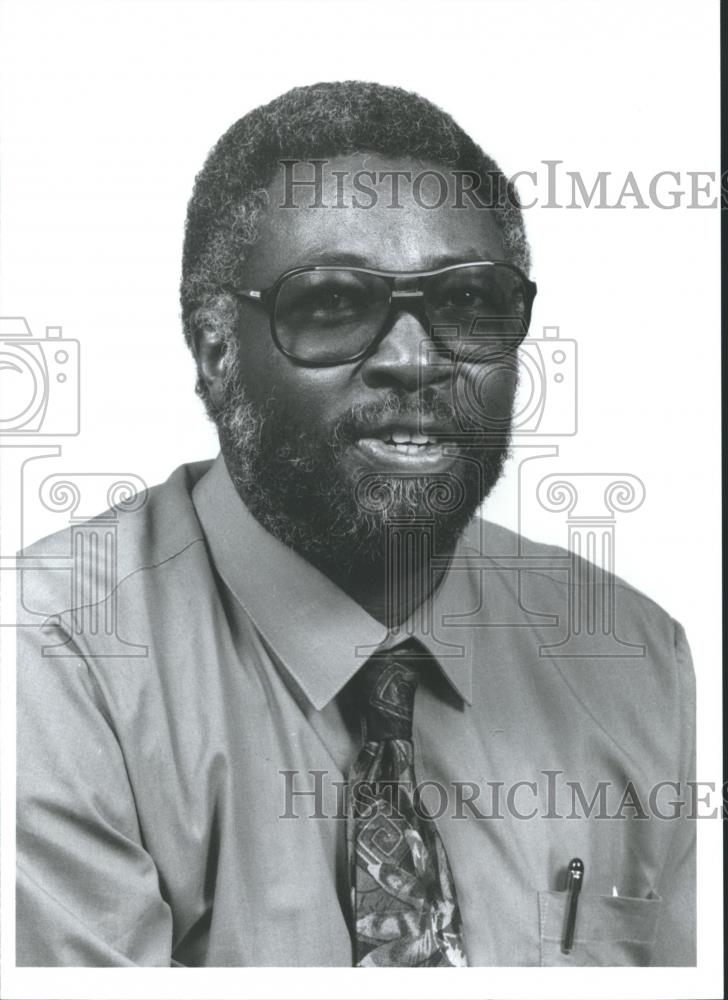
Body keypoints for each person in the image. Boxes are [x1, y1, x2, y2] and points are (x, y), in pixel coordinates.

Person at [16, 81, 695, 967]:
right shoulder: (51, 663)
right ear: (215, 349)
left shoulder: (639, 663)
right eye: (334, 304)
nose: (415, 361)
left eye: (467, 304)